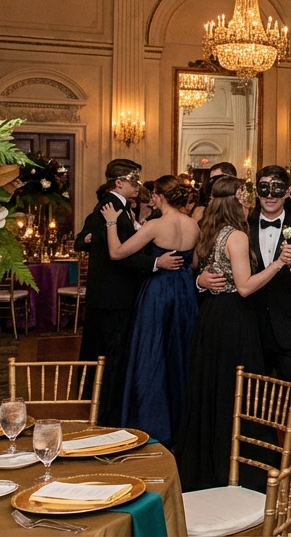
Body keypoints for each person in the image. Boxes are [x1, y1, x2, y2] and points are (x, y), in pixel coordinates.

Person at [176, 176, 288, 492]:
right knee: (237, 390)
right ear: (239, 199)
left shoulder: (209, 231)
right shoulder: (236, 236)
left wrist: (200, 282)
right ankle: (239, 469)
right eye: (247, 196)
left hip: (211, 317)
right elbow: (244, 286)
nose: (250, 201)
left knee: (211, 388)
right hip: (233, 320)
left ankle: (207, 464)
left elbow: (198, 270)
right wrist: (279, 263)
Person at [74, 159, 183, 427]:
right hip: (114, 296)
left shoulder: (120, 210)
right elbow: (119, 257)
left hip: (111, 295)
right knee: (112, 356)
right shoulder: (109, 208)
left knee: (110, 354)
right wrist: (156, 263)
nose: (138, 187)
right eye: (134, 182)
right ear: (119, 182)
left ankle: (106, 408)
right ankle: (107, 415)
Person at [99, 176, 200, 447]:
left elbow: (117, 253)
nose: (150, 197)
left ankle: (150, 422)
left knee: (152, 352)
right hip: (185, 292)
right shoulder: (193, 224)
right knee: (180, 352)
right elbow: (194, 263)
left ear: (160, 196)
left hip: (159, 293)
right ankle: (182, 423)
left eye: (153, 193)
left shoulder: (156, 225)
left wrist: (110, 224)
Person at [242, 165, 291, 461]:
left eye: (277, 188)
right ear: (257, 191)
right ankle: (253, 463)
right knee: (251, 397)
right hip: (251, 325)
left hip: (290, 329)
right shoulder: (243, 228)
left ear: (288, 191)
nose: (270, 195)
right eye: (264, 188)